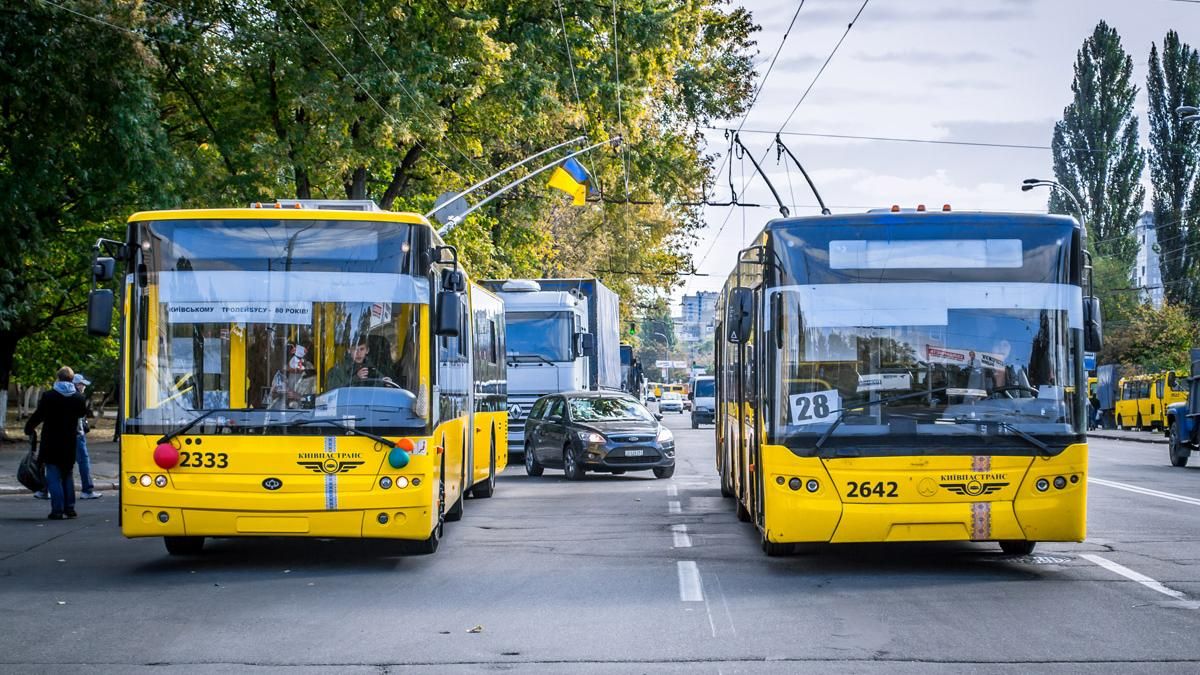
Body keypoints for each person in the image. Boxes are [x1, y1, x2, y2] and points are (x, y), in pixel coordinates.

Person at [24, 367, 88, 520]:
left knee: (53, 476)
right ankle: (70, 509)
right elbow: (81, 413)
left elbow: (39, 415)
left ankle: (57, 510)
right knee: (67, 474)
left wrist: (29, 428)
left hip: (51, 441)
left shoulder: (49, 396)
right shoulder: (78, 398)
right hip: (69, 442)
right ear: (72, 379)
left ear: (58, 378)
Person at [73, 373, 101, 499]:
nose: (84, 386)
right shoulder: (78, 398)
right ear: (77, 385)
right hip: (77, 435)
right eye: (82, 384)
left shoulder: (61, 395)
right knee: (83, 461)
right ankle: (87, 490)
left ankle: (47, 489)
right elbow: (80, 417)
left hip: (63, 435)